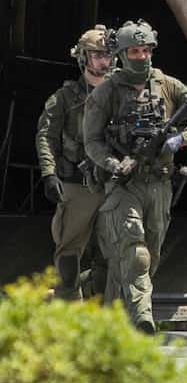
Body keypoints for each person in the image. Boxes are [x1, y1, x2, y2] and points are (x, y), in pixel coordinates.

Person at [83, 19, 187, 333]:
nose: (141, 57)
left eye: (145, 50)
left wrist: (181, 138)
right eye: (134, 51)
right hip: (123, 185)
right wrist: (114, 164)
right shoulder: (107, 92)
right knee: (134, 253)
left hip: (159, 185)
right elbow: (92, 141)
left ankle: (113, 320)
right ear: (122, 54)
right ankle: (143, 318)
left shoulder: (169, 85)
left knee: (146, 257)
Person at [36, 25, 113, 300]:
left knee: (115, 255)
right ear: (83, 58)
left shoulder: (123, 94)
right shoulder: (65, 98)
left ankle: (106, 316)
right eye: (97, 55)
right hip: (78, 186)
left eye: (108, 55)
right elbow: (46, 136)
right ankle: (69, 312)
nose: (104, 61)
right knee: (68, 255)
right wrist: (48, 173)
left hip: (114, 183)